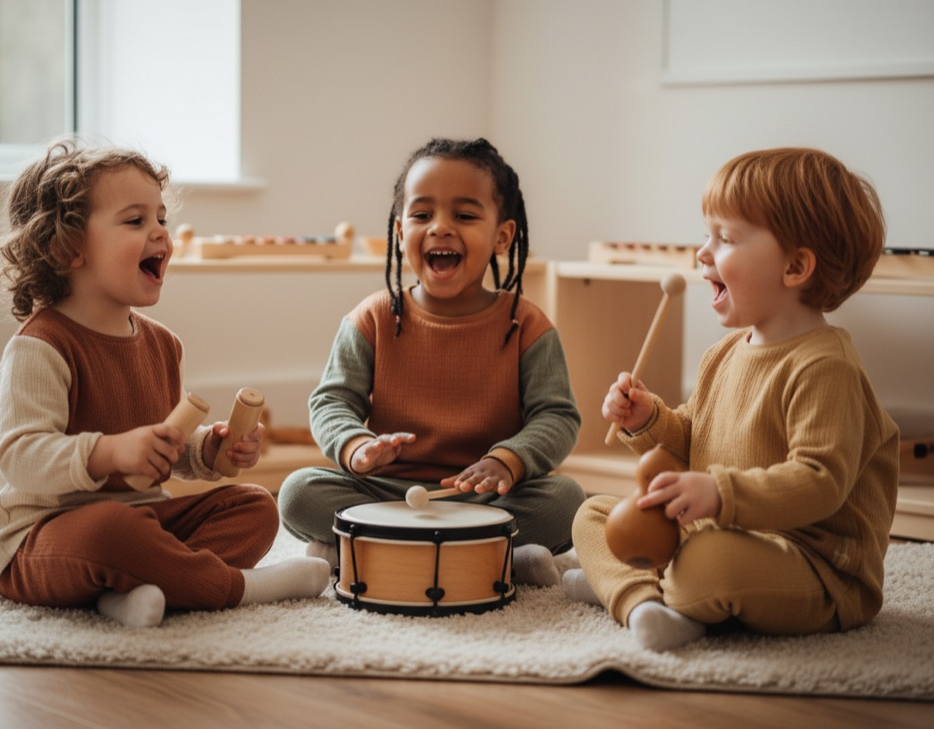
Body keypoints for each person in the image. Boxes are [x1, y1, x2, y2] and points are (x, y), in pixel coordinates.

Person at [0, 138, 329, 628]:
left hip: (140, 520)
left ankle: (129, 591)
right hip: (43, 536)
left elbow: (164, 448)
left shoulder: (162, 344)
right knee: (112, 533)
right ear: (68, 247)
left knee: (254, 507)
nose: (162, 234)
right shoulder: (40, 346)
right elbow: (21, 456)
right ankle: (235, 589)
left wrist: (209, 451)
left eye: (162, 218)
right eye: (135, 220)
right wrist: (110, 453)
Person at [564, 147, 899, 651]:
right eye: (706, 234)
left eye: (724, 238)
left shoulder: (826, 366)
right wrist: (649, 419)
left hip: (812, 565)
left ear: (796, 266)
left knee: (708, 562)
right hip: (717, 529)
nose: (702, 253)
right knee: (592, 515)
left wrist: (720, 495)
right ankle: (643, 604)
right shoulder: (723, 354)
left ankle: (636, 587)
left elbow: (821, 482)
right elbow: (695, 445)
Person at [278, 137, 584, 585]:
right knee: (298, 492)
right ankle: (495, 556)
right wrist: (356, 447)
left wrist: (507, 460)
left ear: (503, 236)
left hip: (483, 497)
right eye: (422, 215)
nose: (440, 227)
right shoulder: (372, 318)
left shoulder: (527, 325)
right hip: (387, 493)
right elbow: (331, 401)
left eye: (464, 215)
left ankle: (362, 549)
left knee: (567, 498)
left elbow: (557, 416)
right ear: (401, 233)